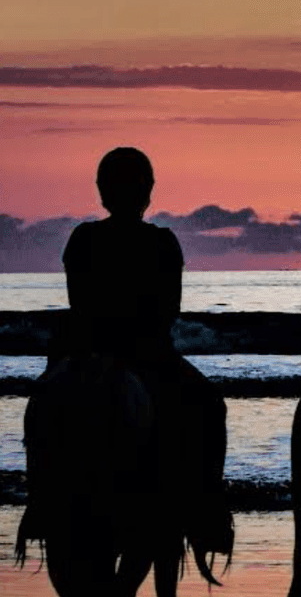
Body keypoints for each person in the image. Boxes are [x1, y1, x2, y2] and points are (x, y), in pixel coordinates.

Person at [56, 147, 230, 558]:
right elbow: (169, 309)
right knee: (210, 406)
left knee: (47, 406)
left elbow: (78, 304)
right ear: (147, 192)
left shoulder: (83, 239)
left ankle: (40, 503)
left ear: (102, 192)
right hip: (148, 355)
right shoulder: (161, 242)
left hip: (88, 352)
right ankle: (206, 511)